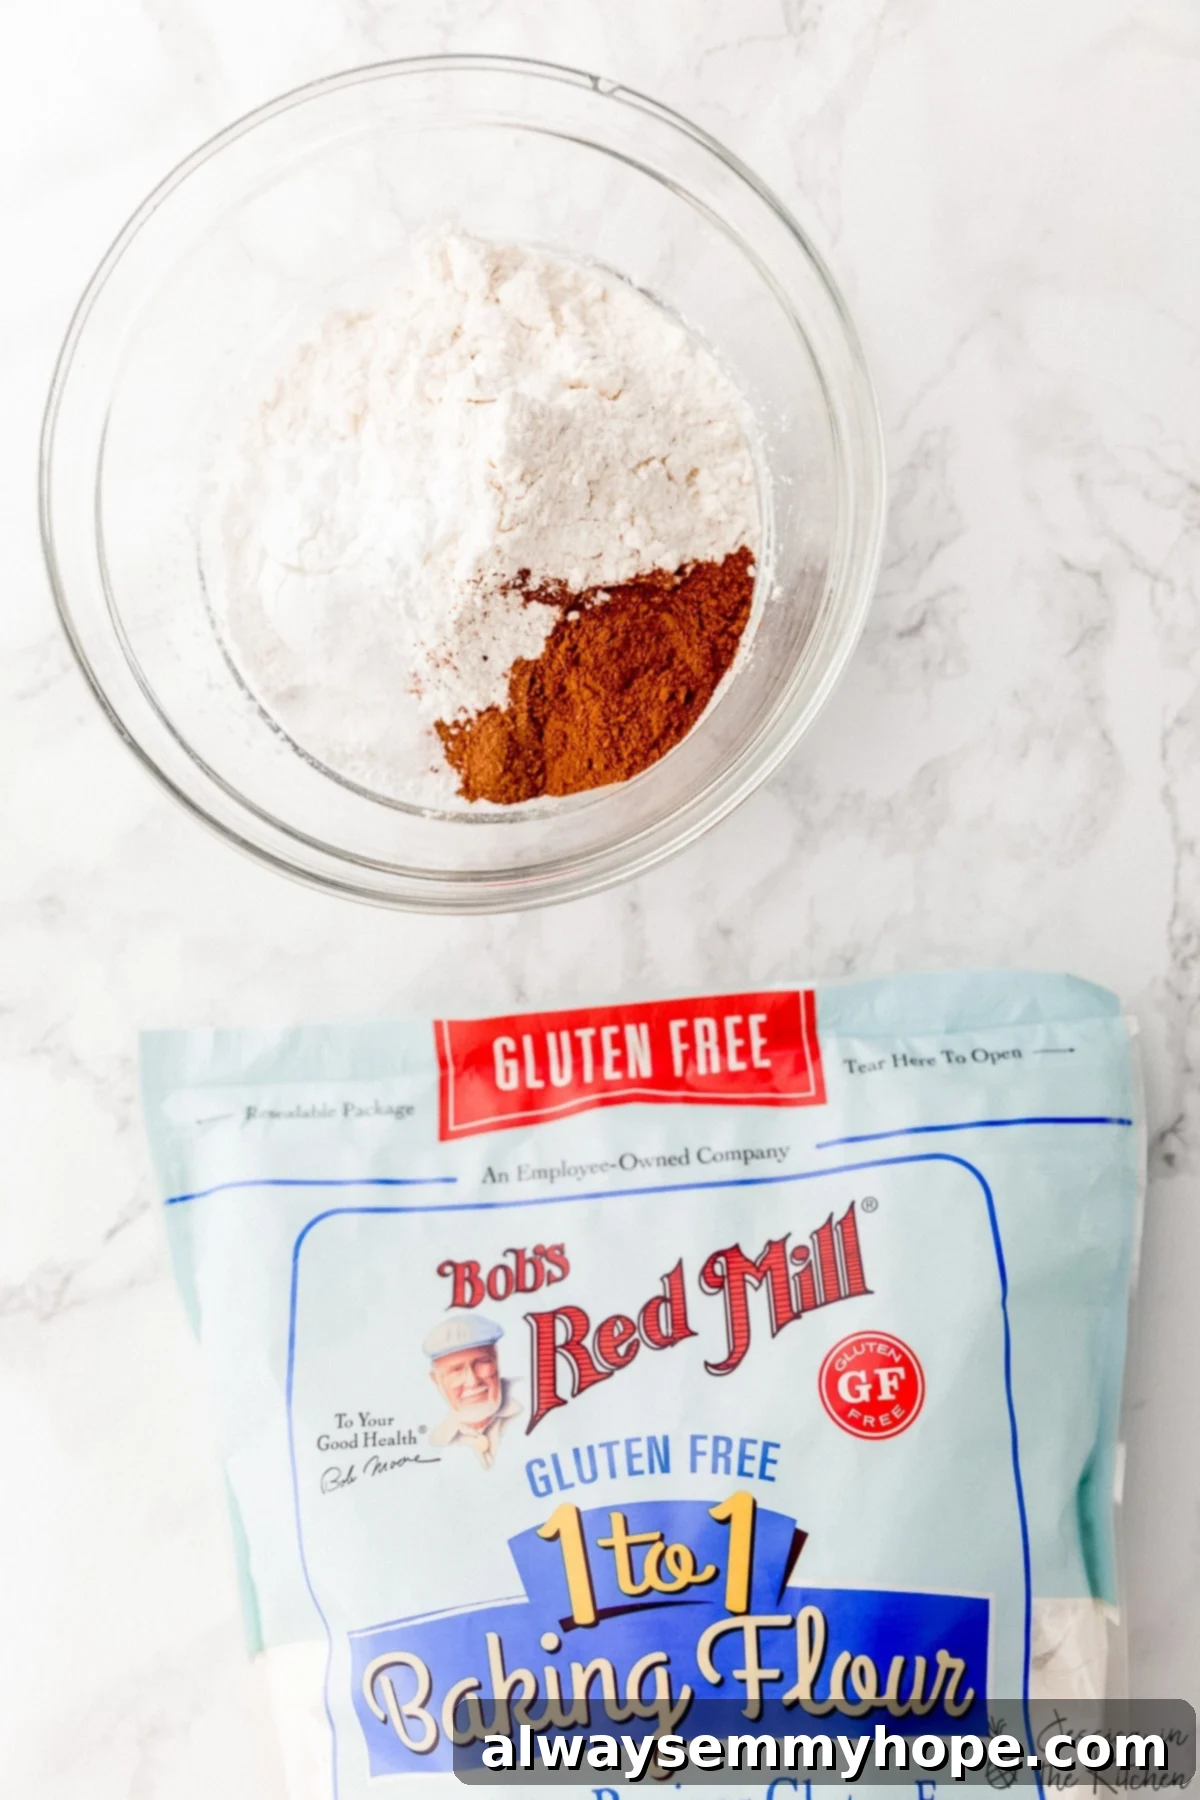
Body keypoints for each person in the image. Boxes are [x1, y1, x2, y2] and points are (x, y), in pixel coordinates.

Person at [424, 1315, 522, 1470]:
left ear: (496, 1361)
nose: (472, 1381)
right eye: (456, 1370)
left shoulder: (532, 1402)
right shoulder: (436, 1443)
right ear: (437, 1381)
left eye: (482, 1362)